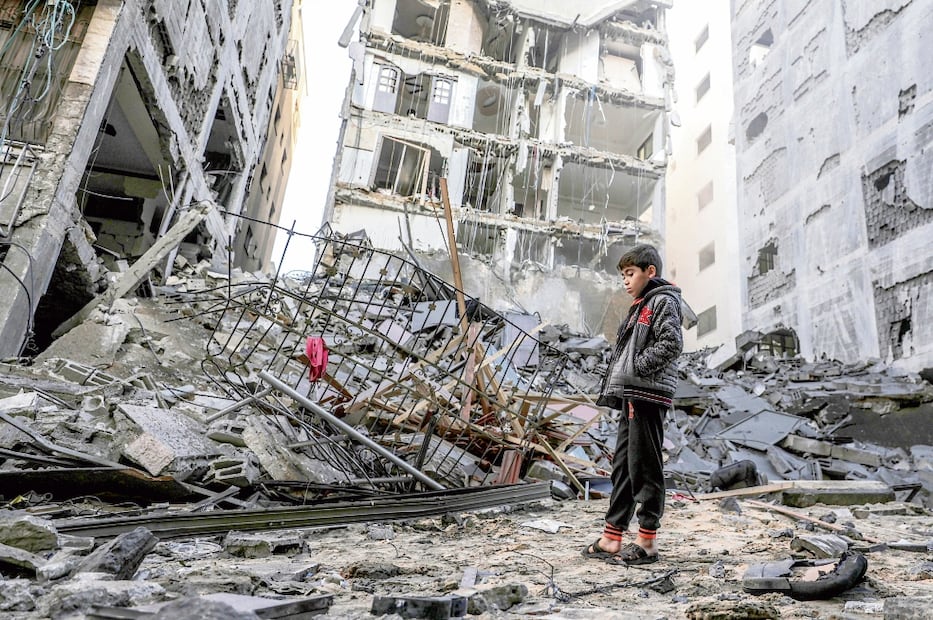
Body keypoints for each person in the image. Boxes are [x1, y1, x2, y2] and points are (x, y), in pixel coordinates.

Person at [582, 243, 683, 565]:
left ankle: (647, 542)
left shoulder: (663, 301)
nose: (625, 281)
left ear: (649, 272)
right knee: (624, 466)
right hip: (633, 395)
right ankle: (612, 537)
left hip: (647, 394)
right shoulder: (642, 305)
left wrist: (636, 368)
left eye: (630, 274)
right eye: (623, 275)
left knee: (645, 466)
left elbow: (672, 343)